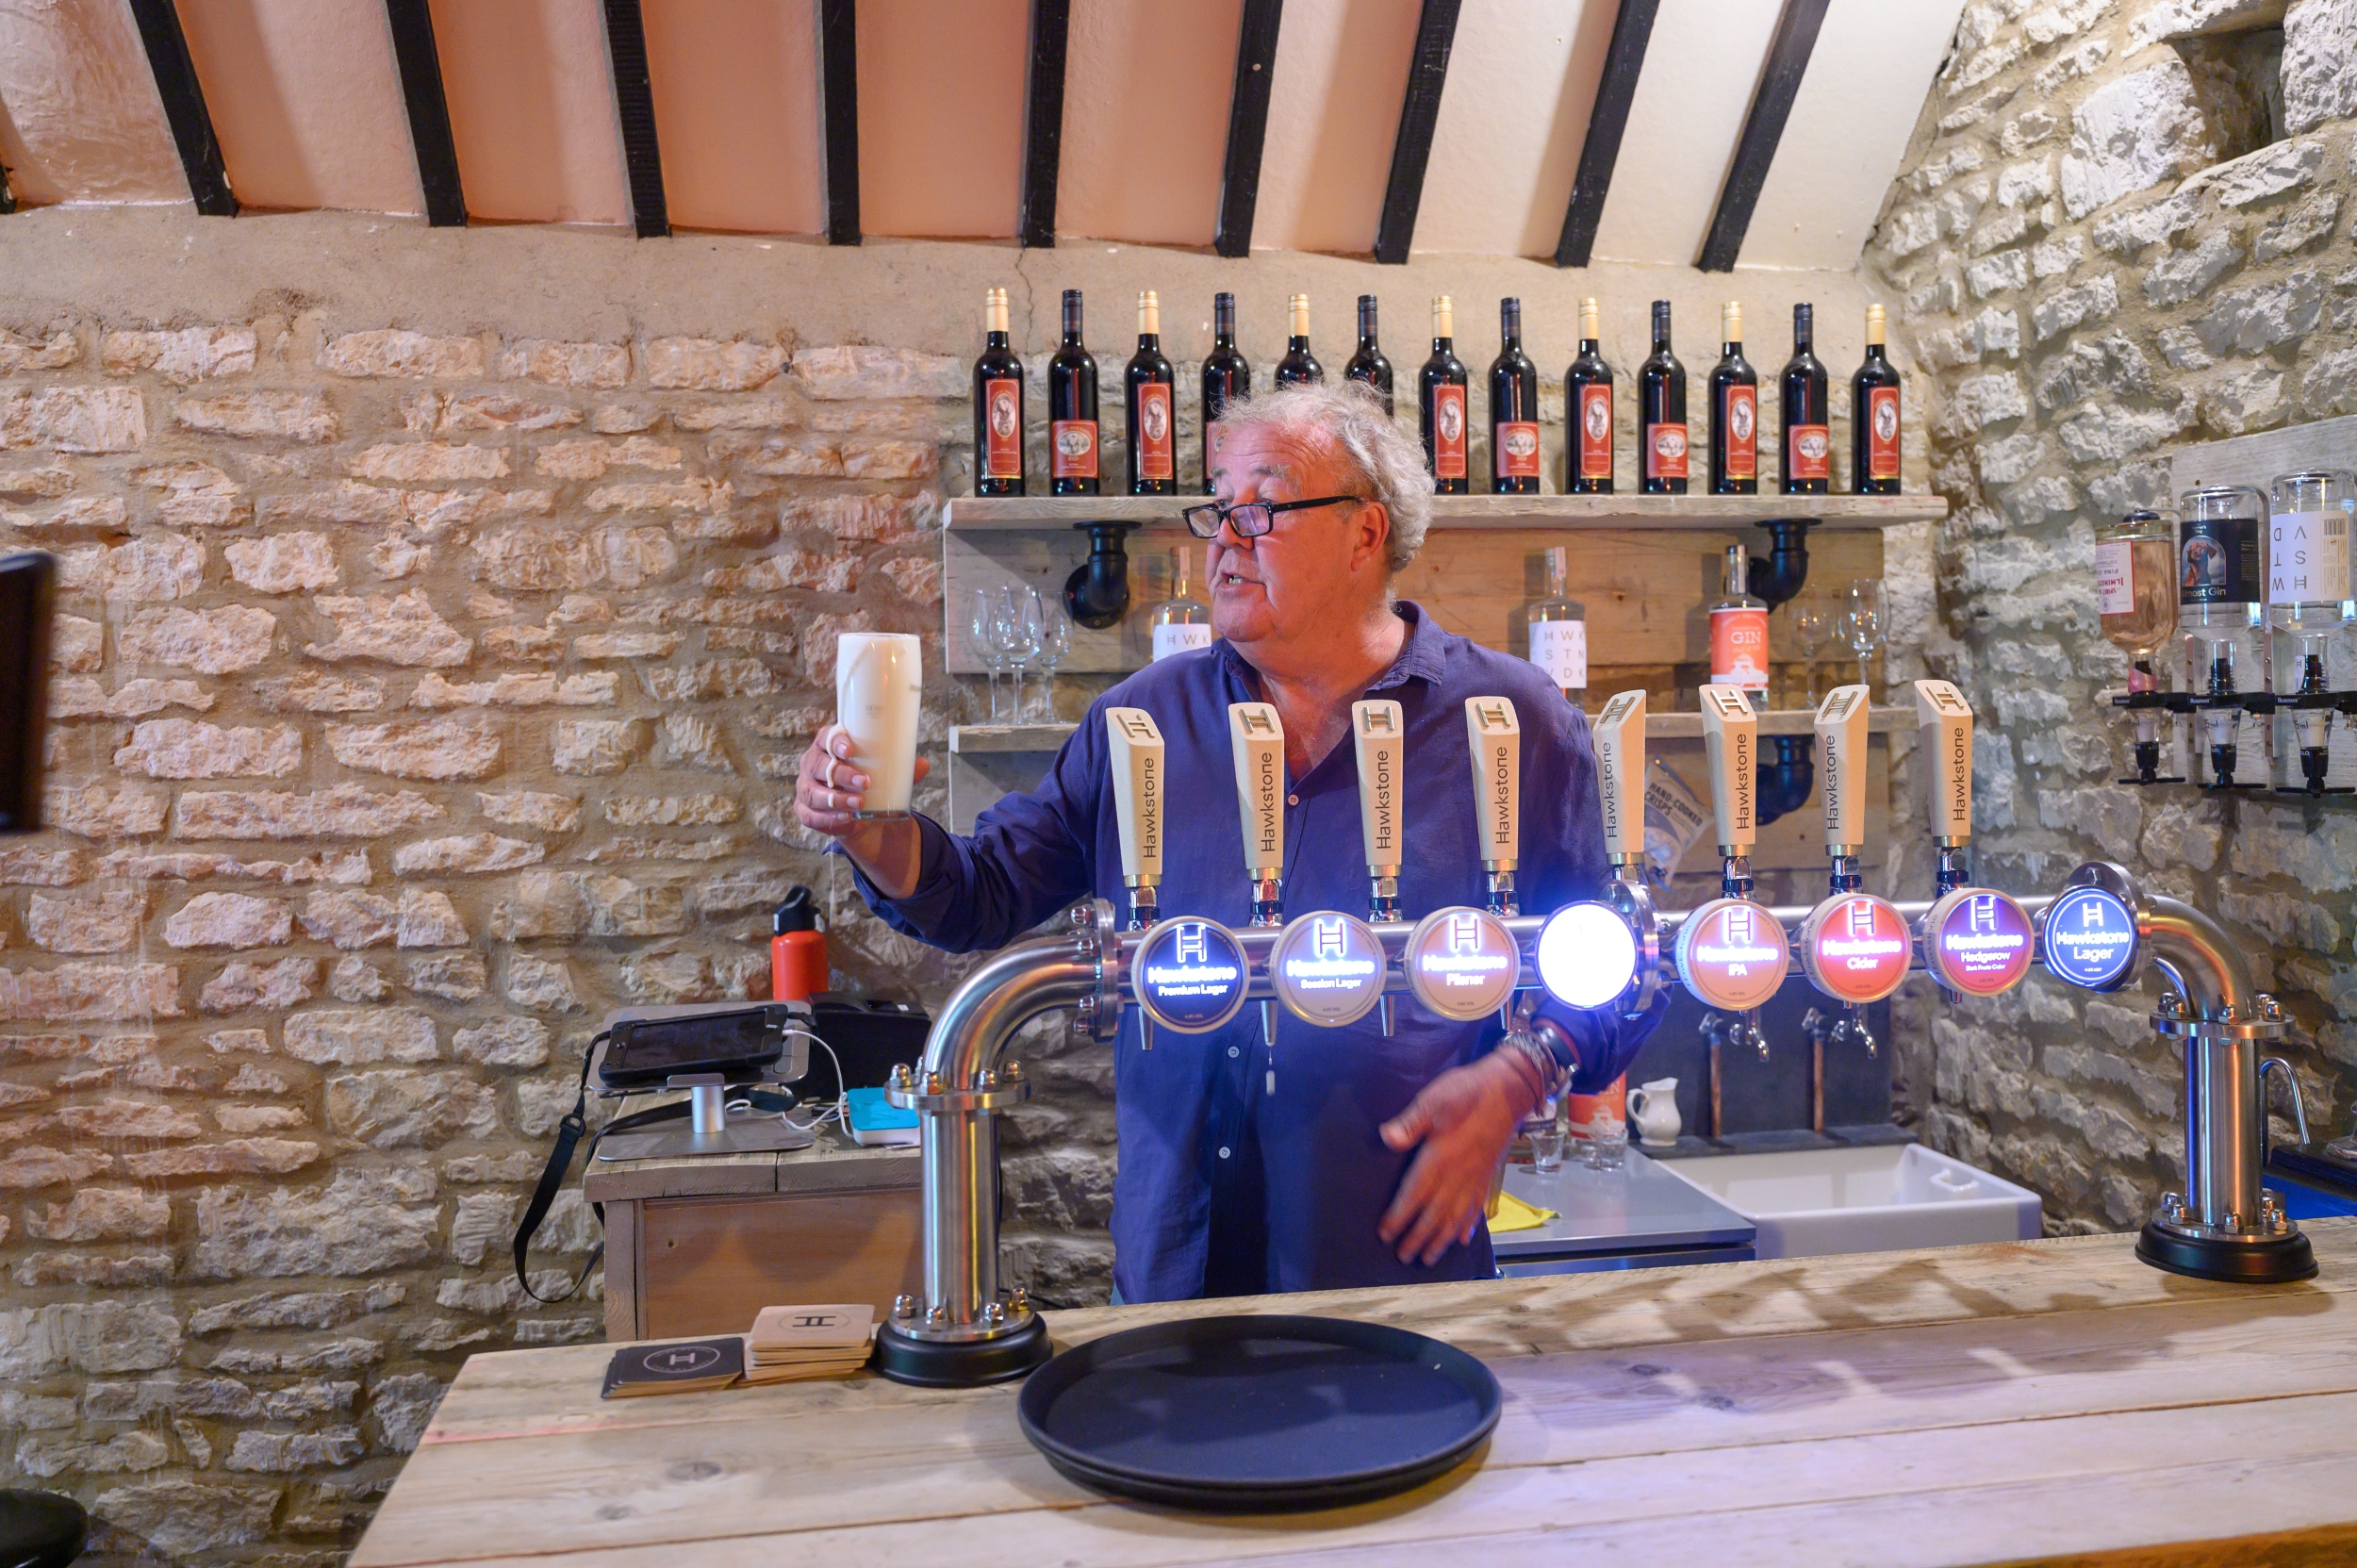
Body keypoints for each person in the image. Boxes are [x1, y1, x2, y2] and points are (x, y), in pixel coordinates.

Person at [796, 382, 1667, 1304]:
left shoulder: (1510, 718)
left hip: (1398, 1269)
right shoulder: (1141, 722)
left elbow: (1626, 961)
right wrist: (871, 828)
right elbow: (977, 893)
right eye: (1218, 508)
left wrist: (1520, 1074)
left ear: (1365, 534)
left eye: (1261, 508)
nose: (1222, 539)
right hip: (1180, 1266)